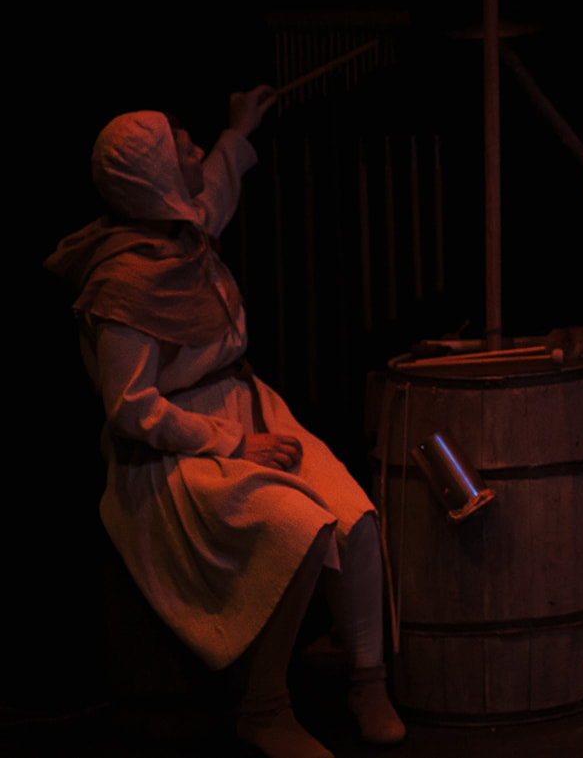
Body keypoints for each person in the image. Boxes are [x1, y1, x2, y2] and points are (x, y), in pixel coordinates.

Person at [47, 89, 405, 758]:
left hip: (246, 405)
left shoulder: (180, 232)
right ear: (156, 177)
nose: (193, 147)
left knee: (355, 518)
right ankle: (264, 709)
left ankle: (367, 680)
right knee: (298, 526)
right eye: (178, 144)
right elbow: (132, 410)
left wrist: (239, 131)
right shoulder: (124, 283)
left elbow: (215, 187)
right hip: (173, 452)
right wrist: (235, 443)